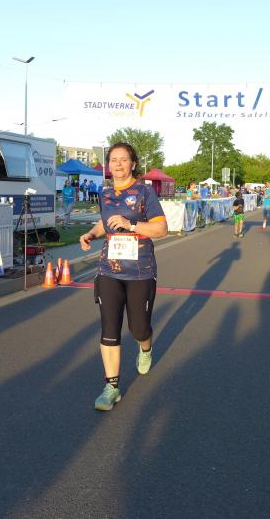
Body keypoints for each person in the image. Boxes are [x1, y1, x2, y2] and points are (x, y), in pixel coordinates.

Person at [79, 142, 167, 411]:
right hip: (109, 269)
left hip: (140, 271)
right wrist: (92, 234)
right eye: (113, 160)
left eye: (123, 159)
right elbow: (105, 223)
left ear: (133, 164)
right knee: (109, 328)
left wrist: (131, 224)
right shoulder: (105, 193)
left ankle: (145, 348)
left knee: (139, 328)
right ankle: (111, 387)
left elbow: (161, 229)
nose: (117, 164)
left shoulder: (144, 191)